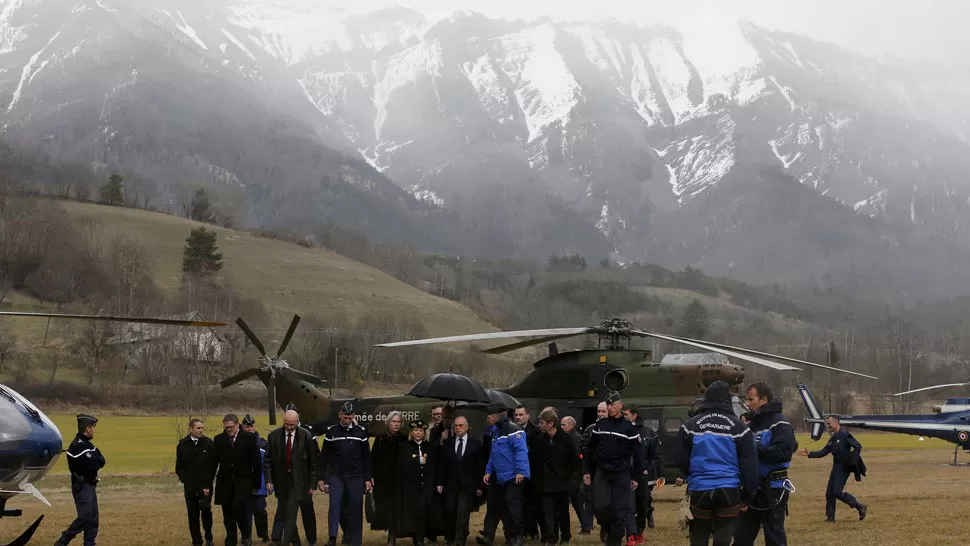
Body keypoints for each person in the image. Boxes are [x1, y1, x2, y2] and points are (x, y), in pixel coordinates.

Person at [674, 381, 759, 546]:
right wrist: (748, 496)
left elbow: (680, 459)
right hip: (729, 491)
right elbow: (749, 465)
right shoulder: (740, 428)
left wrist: (692, 475)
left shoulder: (689, 426)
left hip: (700, 490)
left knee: (698, 538)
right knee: (722, 540)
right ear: (728, 400)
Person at [733, 383, 797, 546]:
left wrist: (754, 449)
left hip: (773, 488)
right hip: (752, 489)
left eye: (751, 399)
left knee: (774, 537)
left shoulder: (779, 422)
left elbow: (784, 451)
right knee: (741, 538)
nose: (747, 403)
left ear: (763, 400)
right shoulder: (751, 425)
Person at [583, 392, 643, 546]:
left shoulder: (629, 428)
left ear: (620, 406)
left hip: (621, 473)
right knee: (599, 506)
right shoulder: (600, 426)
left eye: (612, 405)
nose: (609, 408)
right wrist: (587, 471)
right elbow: (590, 450)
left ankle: (614, 540)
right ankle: (608, 528)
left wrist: (636, 476)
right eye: (608, 405)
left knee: (619, 510)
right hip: (602, 471)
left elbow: (638, 454)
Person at [318, 402, 372, 546]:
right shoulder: (332, 432)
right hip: (337, 476)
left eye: (350, 418)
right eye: (345, 418)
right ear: (340, 415)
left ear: (354, 416)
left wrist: (367, 478)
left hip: (356, 477)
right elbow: (324, 456)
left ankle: (354, 540)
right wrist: (321, 478)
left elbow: (367, 457)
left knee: (355, 508)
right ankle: (332, 538)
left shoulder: (361, 432)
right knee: (335, 506)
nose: (347, 421)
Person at [797, 415, 868, 523]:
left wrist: (852, 459)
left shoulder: (845, 435)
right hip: (836, 466)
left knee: (837, 492)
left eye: (829, 423)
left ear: (836, 422)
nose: (828, 426)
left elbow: (858, 446)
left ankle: (859, 506)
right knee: (829, 493)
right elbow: (823, 452)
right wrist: (809, 453)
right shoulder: (833, 439)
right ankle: (830, 517)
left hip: (844, 467)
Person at [266, 410, 319, 546]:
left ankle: (289, 541)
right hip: (282, 481)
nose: (289, 427)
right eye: (286, 424)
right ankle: (295, 541)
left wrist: (313, 484)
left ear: (297, 422)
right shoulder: (274, 436)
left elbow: (313, 462)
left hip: (301, 481)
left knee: (294, 512)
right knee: (286, 512)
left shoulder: (306, 436)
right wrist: (269, 481)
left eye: (292, 424)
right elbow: (268, 461)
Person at [482, 402, 530, 546]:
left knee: (512, 505)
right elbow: (493, 454)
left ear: (496, 416)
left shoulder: (514, 430)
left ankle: (517, 535)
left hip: (514, 475)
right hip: (501, 476)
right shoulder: (495, 432)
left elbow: (521, 452)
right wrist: (488, 471)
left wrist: (521, 472)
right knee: (502, 506)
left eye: (489, 416)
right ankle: (510, 536)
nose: (487, 419)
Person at [54, 414, 106, 546]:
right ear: (88, 429)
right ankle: (62, 541)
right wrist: (94, 461)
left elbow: (102, 460)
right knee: (85, 517)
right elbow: (94, 464)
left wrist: (94, 460)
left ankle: (89, 544)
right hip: (81, 485)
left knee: (93, 519)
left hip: (90, 485)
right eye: (93, 427)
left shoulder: (88, 444)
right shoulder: (77, 446)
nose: (94, 430)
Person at [212, 413, 263, 546]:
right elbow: (213, 462)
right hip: (225, 482)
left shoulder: (249, 438)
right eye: (226, 427)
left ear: (237, 424)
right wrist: (208, 482)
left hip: (243, 481)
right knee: (227, 512)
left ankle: (245, 534)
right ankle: (231, 538)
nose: (228, 430)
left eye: (230, 427)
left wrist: (256, 483)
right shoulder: (219, 440)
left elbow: (256, 462)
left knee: (239, 508)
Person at [390, 420, 440, 544]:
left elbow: (435, 467)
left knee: (423, 511)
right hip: (410, 487)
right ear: (412, 432)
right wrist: (417, 462)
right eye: (416, 431)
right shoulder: (404, 447)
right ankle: (416, 537)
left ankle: (421, 537)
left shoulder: (429, 447)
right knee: (413, 512)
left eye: (421, 431)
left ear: (424, 433)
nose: (418, 433)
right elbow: (402, 467)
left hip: (426, 486)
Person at [534, 409, 579, 546]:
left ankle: (565, 536)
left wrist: (568, 477)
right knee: (548, 512)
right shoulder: (541, 440)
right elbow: (536, 461)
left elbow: (574, 461)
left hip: (561, 483)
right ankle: (550, 537)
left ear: (550, 424)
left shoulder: (566, 440)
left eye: (542, 423)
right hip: (545, 483)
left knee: (562, 512)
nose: (539, 425)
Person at [438, 415, 485, 546]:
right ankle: (450, 537)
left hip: (468, 486)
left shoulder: (476, 444)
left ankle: (460, 540)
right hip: (450, 485)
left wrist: (480, 486)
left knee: (462, 513)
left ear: (467, 427)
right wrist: (440, 482)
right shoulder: (447, 443)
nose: (458, 428)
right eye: (456, 426)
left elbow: (480, 467)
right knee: (450, 511)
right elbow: (442, 465)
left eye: (460, 426)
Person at [622, 405, 664, 542]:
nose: (624, 417)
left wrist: (649, 469)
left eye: (626, 415)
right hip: (624, 474)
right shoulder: (621, 431)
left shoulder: (648, 432)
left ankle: (640, 530)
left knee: (642, 505)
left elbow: (656, 455)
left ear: (634, 415)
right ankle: (631, 535)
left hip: (643, 475)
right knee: (628, 506)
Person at [176, 417, 216, 546]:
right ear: (191, 429)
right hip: (190, 486)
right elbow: (179, 466)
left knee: (206, 510)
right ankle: (196, 540)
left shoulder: (208, 443)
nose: (201, 430)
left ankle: (209, 537)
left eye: (202, 428)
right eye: (198, 428)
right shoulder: (182, 444)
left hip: (205, 486)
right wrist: (185, 479)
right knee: (192, 514)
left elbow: (212, 466)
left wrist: (207, 484)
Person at [372, 411, 408, 545]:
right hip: (383, 480)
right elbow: (373, 459)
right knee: (385, 508)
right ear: (388, 423)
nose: (396, 424)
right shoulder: (380, 439)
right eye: (394, 421)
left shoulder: (404, 440)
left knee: (396, 508)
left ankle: (393, 535)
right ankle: (389, 531)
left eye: (398, 422)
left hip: (398, 480)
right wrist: (371, 476)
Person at [560, 416, 592, 535]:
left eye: (564, 425)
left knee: (576, 501)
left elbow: (580, 457)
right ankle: (586, 525)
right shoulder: (568, 437)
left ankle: (586, 525)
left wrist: (581, 473)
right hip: (571, 474)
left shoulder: (575, 438)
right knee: (576, 501)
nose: (562, 427)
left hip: (574, 474)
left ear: (571, 425)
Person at [241, 414, 270, 543]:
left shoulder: (264, 443)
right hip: (244, 483)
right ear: (242, 427)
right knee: (245, 512)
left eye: (252, 426)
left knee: (260, 510)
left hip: (260, 483)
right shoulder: (239, 442)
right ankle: (246, 537)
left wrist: (269, 481)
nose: (250, 429)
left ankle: (263, 534)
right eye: (247, 427)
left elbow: (269, 464)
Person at [582, 402, 609, 541]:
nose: (600, 414)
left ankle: (607, 528)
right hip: (595, 471)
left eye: (603, 411)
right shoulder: (590, 430)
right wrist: (586, 471)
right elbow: (585, 453)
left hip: (612, 471)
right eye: (599, 411)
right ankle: (601, 524)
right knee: (596, 503)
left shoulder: (617, 429)